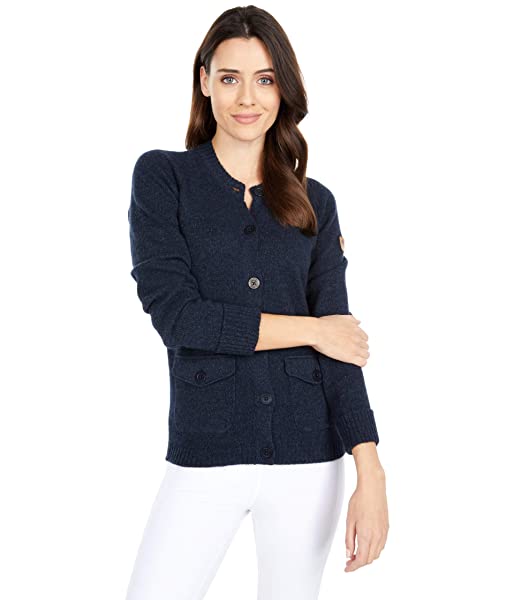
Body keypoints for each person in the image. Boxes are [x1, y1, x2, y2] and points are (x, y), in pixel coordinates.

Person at [125, 6, 389, 600]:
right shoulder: (163, 178)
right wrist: (312, 330)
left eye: (265, 79)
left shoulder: (315, 202)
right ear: (204, 81)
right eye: (230, 78)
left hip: (309, 458)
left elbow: (342, 346)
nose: (247, 98)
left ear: (283, 88)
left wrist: (369, 467)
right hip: (205, 449)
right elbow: (180, 318)